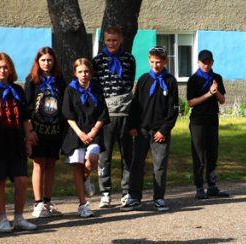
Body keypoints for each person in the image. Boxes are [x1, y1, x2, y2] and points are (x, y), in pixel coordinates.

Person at [0, 52, 37, 232]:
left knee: (21, 180)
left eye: (6, 67)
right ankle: (2, 218)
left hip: (16, 142)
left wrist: (29, 138)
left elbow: (25, 118)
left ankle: (19, 217)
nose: (3, 70)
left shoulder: (17, 90)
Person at [125, 47, 180, 212]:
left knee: (160, 165)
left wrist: (164, 130)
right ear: (149, 61)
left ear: (165, 62)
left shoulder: (170, 81)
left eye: (159, 62)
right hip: (142, 130)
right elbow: (135, 105)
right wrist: (132, 126)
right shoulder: (143, 80)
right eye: (153, 62)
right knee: (137, 164)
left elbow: (174, 109)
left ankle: (159, 198)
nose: (156, 65)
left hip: (160, 132)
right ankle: (134, 197)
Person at [92, 26, 136, 209]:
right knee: (105, 155)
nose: (112, 43)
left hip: (125, 111)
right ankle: (106, 192)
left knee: (127, 154)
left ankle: (126, 192)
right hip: (106, 113)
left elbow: (129, 82)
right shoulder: (98, 60)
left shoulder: (129, 59)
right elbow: (95, 86)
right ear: (104, 41)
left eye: (115, 40)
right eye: (109, 40)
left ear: (121, 40)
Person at [62, 58, 108, 217]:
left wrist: (93, 131)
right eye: (80, 71)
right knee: (77, 164)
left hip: (93, 132)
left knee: (93, 157)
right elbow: (68, 114)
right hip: (76, 133)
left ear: (91, 72)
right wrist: (80, 133)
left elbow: (103, 113)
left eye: (86, 71)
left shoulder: (96, 88)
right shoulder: (70, 89)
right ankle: (83, 204)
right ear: (75, 73)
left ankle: (86, 178)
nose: (84, 74)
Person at [26, 47, 65, 219]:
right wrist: (29, 131)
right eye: (43, 60)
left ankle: (48, 201)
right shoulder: (32, 80)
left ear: (54, 61)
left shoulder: (59, 80)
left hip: (55, 130)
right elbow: (26, 107)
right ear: (38, 62)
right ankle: (37, 202)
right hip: (37, 130)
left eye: (49, 60)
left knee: (51, 165)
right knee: (38, 164)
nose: (46, 63)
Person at [186, 49, 229, 200]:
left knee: (212, 152)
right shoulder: (194, 79)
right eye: (203, 62)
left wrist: (216, 92)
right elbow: (191, 102)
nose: (206, 65)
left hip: (212, 119)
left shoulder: (216, 78)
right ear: (198, 62)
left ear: (212, 62)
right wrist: (209, 94)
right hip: (198, 121)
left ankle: (212, 186)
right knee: (199, 154)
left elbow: (222, 100)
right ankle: (199, 187)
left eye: (209, 62)